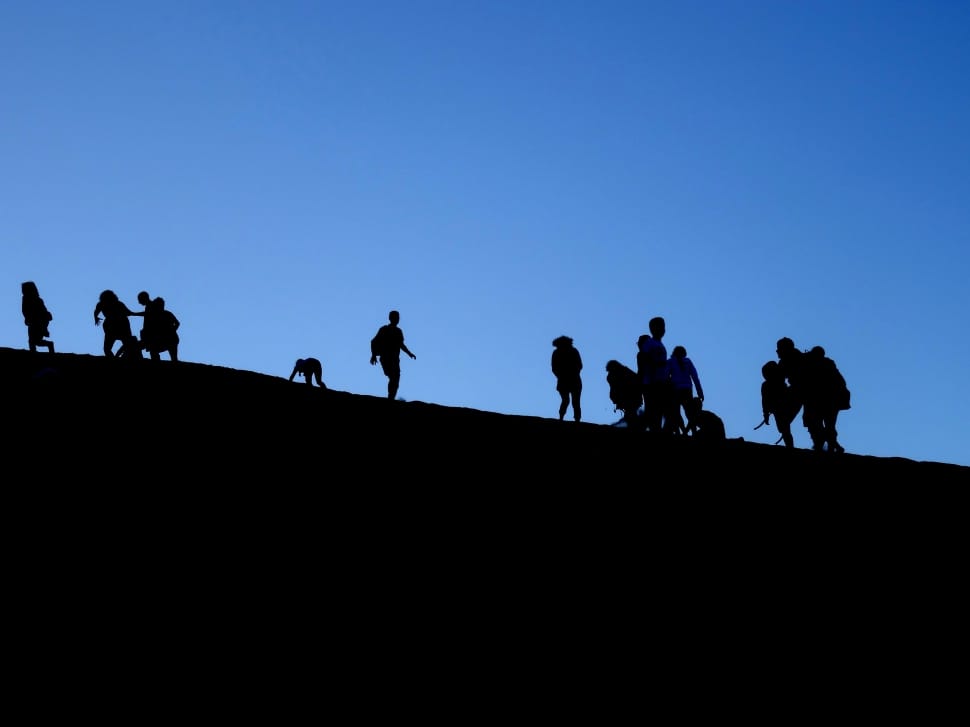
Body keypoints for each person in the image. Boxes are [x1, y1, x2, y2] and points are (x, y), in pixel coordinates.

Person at [637, 317, 675, 433]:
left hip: (660, 382)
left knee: (661, 410)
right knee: (653, 410)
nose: (663, 329)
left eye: (663, 327)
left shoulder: (660, 345)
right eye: (660, 327)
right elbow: (644, 359)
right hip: (651, 382)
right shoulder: (650, 343)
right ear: (652, 329)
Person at [370, 310, 416, 400]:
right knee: (393, 377)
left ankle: (391, 397)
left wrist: (409, 353)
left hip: (395, 360)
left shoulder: (398, 331)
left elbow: (401, 345)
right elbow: (373, 341)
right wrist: (373, 355)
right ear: (390, 318)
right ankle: (390, 397)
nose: (397, 319)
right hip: (386, 358)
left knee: (395, 378)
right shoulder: (384, 329)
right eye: (395, 317)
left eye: (398, 318)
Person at [760, 360, 799, 448]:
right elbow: (765, 401)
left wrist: (766, 414)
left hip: (780, 409)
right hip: (778, 409)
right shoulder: (769, 385)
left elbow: (765, 401)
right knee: (784, 429)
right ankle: (790, 446)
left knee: (784, 429)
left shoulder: (774, 383)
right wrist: (765, 413)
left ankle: (790, 447)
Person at [94, 290, 143, 358]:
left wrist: (96, 318)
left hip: (117, 326)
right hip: (118, 326)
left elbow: (96, 311)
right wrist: (96, 317)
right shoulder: (117, 304)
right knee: (126, 345)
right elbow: (129, 313)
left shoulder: (103, 304)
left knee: (108, 348)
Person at [668, 345, 704, 435]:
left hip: (675, 390)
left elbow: (665, 376)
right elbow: (695, 377)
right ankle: (693, 432)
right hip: (687, 390)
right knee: (690, 413)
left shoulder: (671, 362)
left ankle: (680, 432)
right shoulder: (687, 361)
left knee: (676, 413)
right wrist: (700, 392)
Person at [551, 335, 583, 422]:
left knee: (570, 401)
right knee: (571, 401)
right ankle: (571, 419)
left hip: (570, 380)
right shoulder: (571, 351)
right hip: (569, 380)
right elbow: (580, 366)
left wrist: (562, 375)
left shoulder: (570, 352)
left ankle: (570, 418)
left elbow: (579, 366)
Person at [606, 359, 643, 429]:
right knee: (630, 414)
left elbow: (635, 383)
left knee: (631, 414)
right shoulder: (613, 376)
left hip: (631, 397)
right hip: (628, 398)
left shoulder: (624, 373)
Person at [142, 297, 181, 361]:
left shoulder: (165, 314)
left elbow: (177, 323)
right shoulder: (165, 314)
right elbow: (177, 323)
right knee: (153, 350)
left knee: (172, 356)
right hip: (169, 339)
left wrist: (171, 331)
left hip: (171, 340)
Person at [21, 281, 55, 353]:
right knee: (32, 341)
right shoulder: (25, 299)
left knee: (35, 341)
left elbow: (44, 311)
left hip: (38, 323)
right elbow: (24, 310)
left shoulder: (38, 300)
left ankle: (49, 347)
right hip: (32, 322)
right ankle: (35, 352)